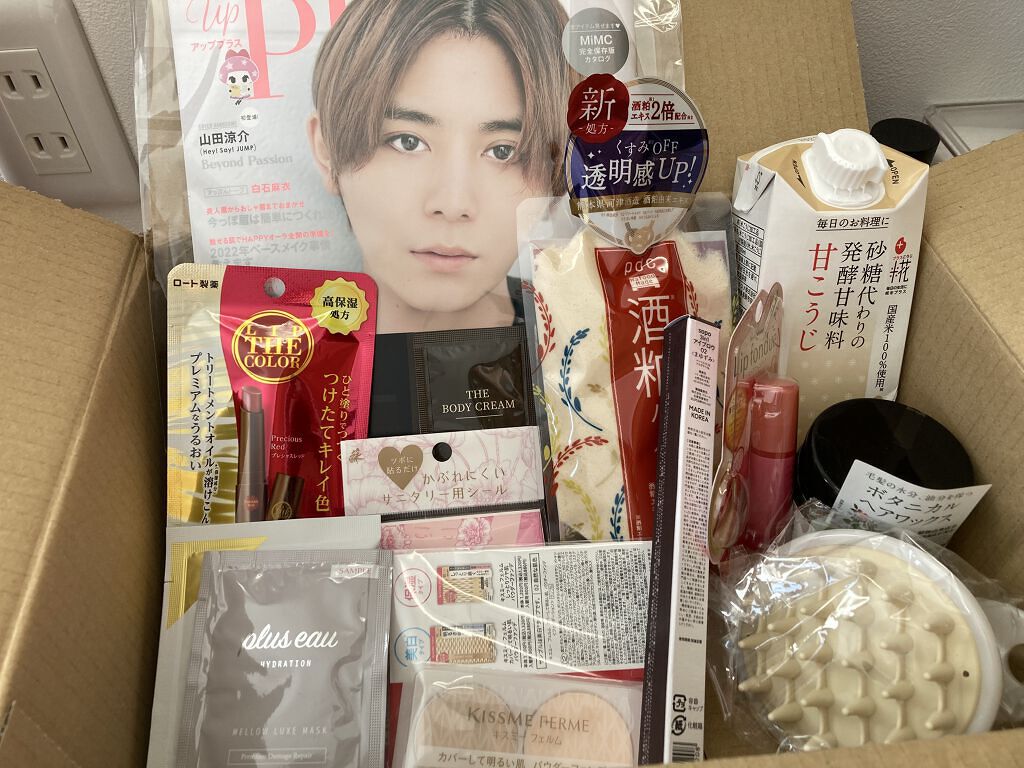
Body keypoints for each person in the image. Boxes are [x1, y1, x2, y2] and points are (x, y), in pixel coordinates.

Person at [308, 0, 575, 333]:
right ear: (326, 151)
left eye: (504, 151)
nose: (452, 205)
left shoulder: (603, 348)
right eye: (408, 142)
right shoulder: (263, 347)